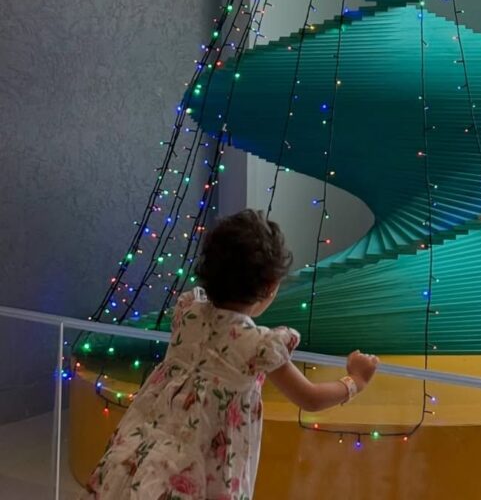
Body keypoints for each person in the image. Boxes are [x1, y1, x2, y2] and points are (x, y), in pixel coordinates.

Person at [83, 209, 379, 499]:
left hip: (150, 442)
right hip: (206, 460)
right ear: (270, 287)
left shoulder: (189, 312)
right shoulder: (256, 344)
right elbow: (310, 398)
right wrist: (356, 380)